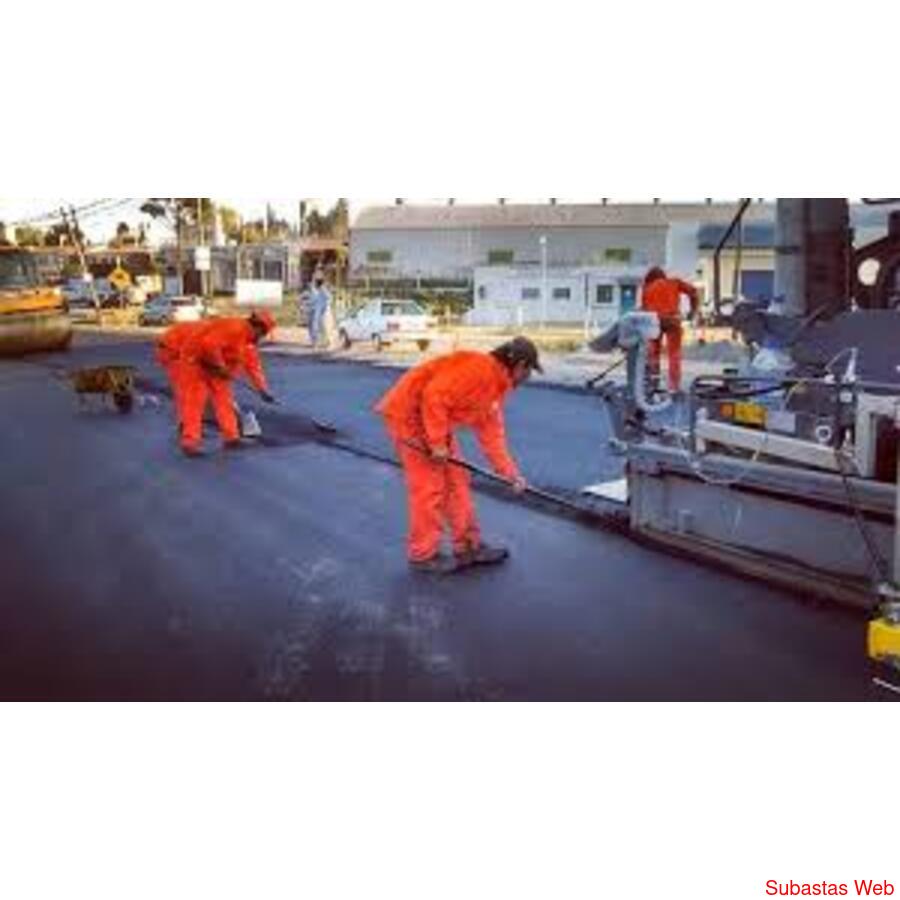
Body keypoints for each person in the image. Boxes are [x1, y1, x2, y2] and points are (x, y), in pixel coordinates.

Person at [375, 337, 541, 574]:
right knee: (430, 486)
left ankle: (468, 546)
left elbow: (492, 435)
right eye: (529, 371)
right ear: (520, 365)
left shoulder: (495, 386)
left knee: (457, 479)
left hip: (432, 420)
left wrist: (510, 474)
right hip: (408, 415)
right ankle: (423, 555)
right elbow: (434, 394)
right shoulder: (480, 369)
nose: (528, 378)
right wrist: (437, 443)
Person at [177, 311, 277, 457]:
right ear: (258, 328)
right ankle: (190, 443)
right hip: (195, 363)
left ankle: (231, 438)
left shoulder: (247, 344)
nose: (262, 337)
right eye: (263, 334)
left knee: (224, 401)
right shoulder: (234, 328)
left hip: (217, 370)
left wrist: (262, 390)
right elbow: (208, 344)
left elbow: (253, 368)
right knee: (195, 402)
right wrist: (220, 365)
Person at [639, 267, 700, 394]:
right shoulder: (674, 282)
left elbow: (644, 311)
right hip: (673, 320)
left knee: (653, 354)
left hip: (654, 322)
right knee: (674, 355)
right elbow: (693, 292)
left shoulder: (647, 288)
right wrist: (693, 311)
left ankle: (653, 384)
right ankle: (674, 387)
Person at [155, 320, 205, 432]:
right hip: (174, 356)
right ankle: (187, 425)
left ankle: (187, 424)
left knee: (188, 393)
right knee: (188, 393)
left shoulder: (203, 330)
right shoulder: (206, 334)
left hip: (175, 355)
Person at [307, 270, 331, 349]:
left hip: (320, 310)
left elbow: (328, 298)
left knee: (320, 325)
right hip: (314, 309)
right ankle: (316, 342)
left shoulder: (323, 289)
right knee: (314, 325)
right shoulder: (313, 288)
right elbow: (309, 298)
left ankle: (323, 342)